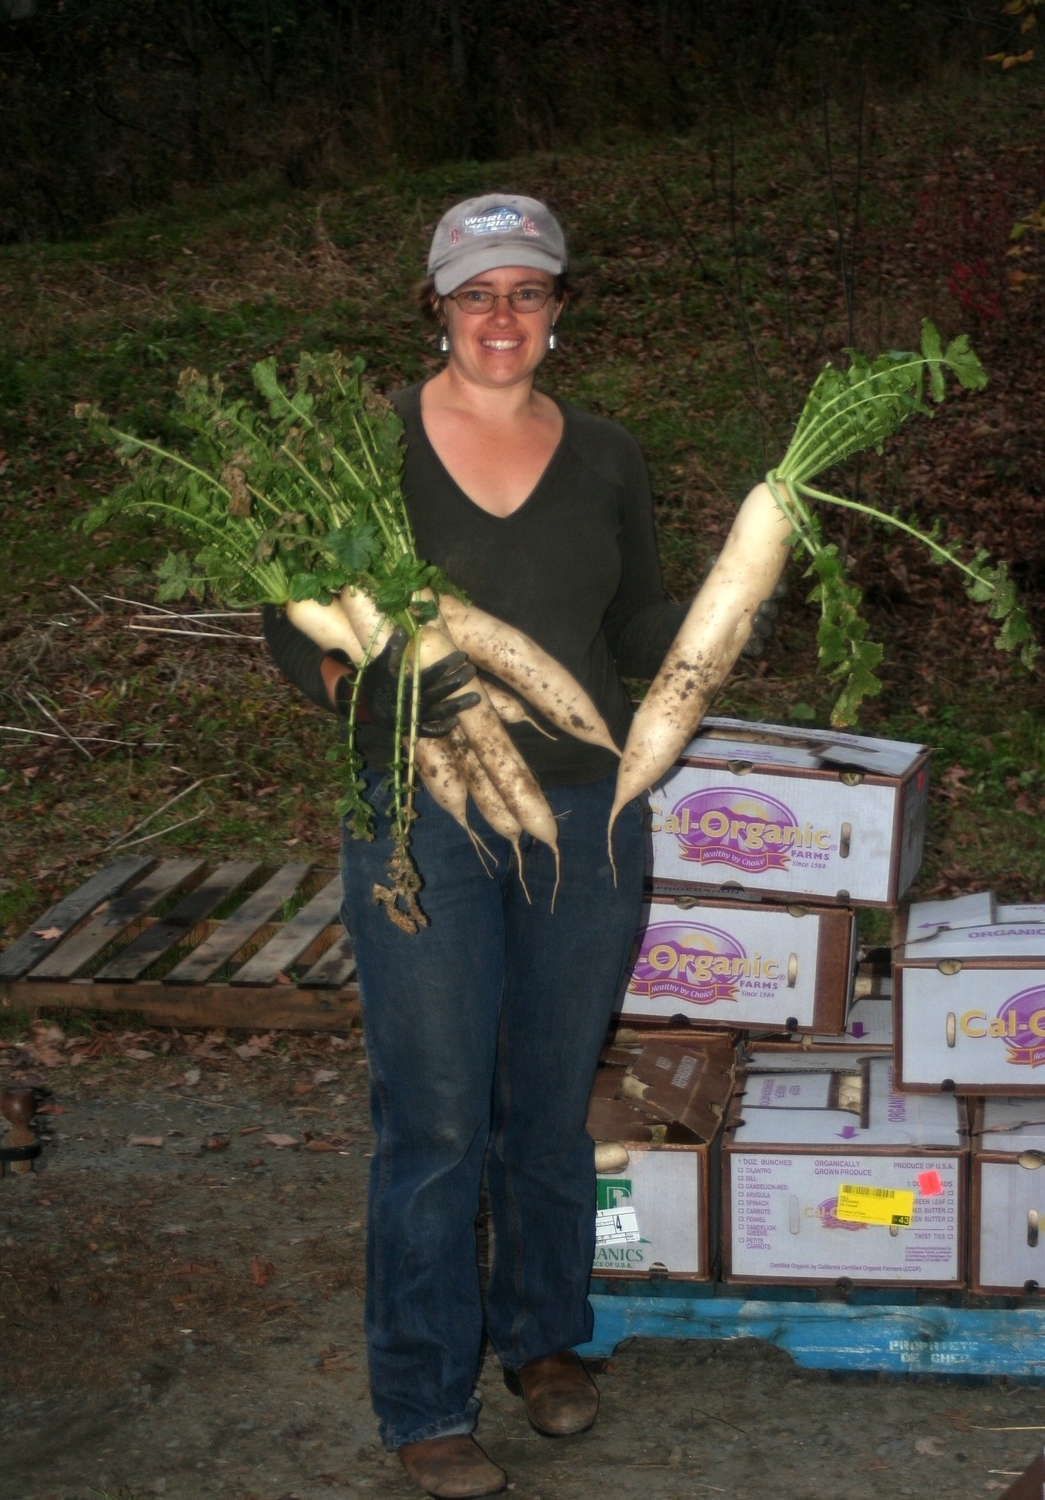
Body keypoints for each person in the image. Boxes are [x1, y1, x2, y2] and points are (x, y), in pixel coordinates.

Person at [263, 193, 688, 1498]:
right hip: (422, 811)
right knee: (437, 1114)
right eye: (475, 292)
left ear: (559, 310)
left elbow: (644, 626)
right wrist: (369, 703)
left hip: (581, 814)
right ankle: (422, 1400)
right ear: (436, 307)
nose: (501, 316)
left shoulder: (605, 455)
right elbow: (296, 622)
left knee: (546, 1104)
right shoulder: (362, 447)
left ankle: (543, 1340)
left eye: (527, 290)